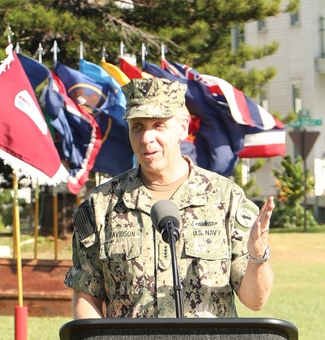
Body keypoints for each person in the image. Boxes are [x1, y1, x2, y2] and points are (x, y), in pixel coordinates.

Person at [65, 76, 274, 319]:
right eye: (138, 127)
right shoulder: (102, 205)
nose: (146, 138)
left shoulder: (225, 199)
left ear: (183, 127)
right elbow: (87, 296)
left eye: (159, 125)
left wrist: (257, 256)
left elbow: (255, 301)